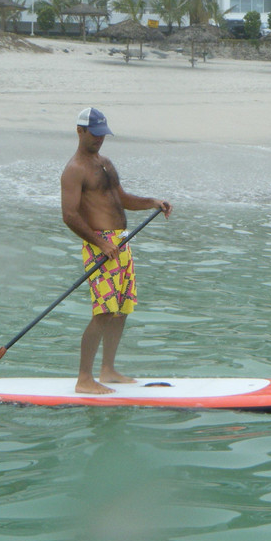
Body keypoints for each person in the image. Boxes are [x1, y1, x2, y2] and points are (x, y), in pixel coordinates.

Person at [60, 107, 172, 394]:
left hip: (120, 243)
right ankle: (84, 379)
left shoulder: (106, 163)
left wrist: (152, 202)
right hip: (101, 247)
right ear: (80, 131)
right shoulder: (74, 170)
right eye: (94, 134)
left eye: (103, 134)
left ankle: (107, 370)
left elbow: (121, 198)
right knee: (103, 311)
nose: (99, 140)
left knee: (121, 310)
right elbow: (70, 215)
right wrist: (101, 244)